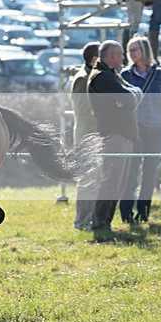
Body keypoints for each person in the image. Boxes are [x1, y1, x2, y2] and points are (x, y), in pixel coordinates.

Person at [119, 36, 161, 223]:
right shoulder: (126, 75)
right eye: (130, 50)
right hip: (136, 130)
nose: (132, 53)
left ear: (145, 50)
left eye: (135, 49)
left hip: (156, 130)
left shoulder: (159, 74)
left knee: (150, 174)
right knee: (132, 173)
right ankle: (127, 214)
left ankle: (143, 213)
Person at [87, 40, 142, 232]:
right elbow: (131, 100)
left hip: (123, 135)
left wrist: (129, 96)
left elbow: (136, 94)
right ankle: (99, 223)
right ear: (111, 57)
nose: (124, 58)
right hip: (114, 136)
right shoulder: (102, 78)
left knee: (118, 182)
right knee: (110, 182)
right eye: (120, 54)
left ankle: (105, 222)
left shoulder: (113, 75)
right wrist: (128, 97)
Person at [70, 42, 100, 231]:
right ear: (94, 59)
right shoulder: (82, 78)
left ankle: (93, 220)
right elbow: (82, 109)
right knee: (88, 181)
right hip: (87, 137)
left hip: (97, 136)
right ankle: (81, 221)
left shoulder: (95, 76)